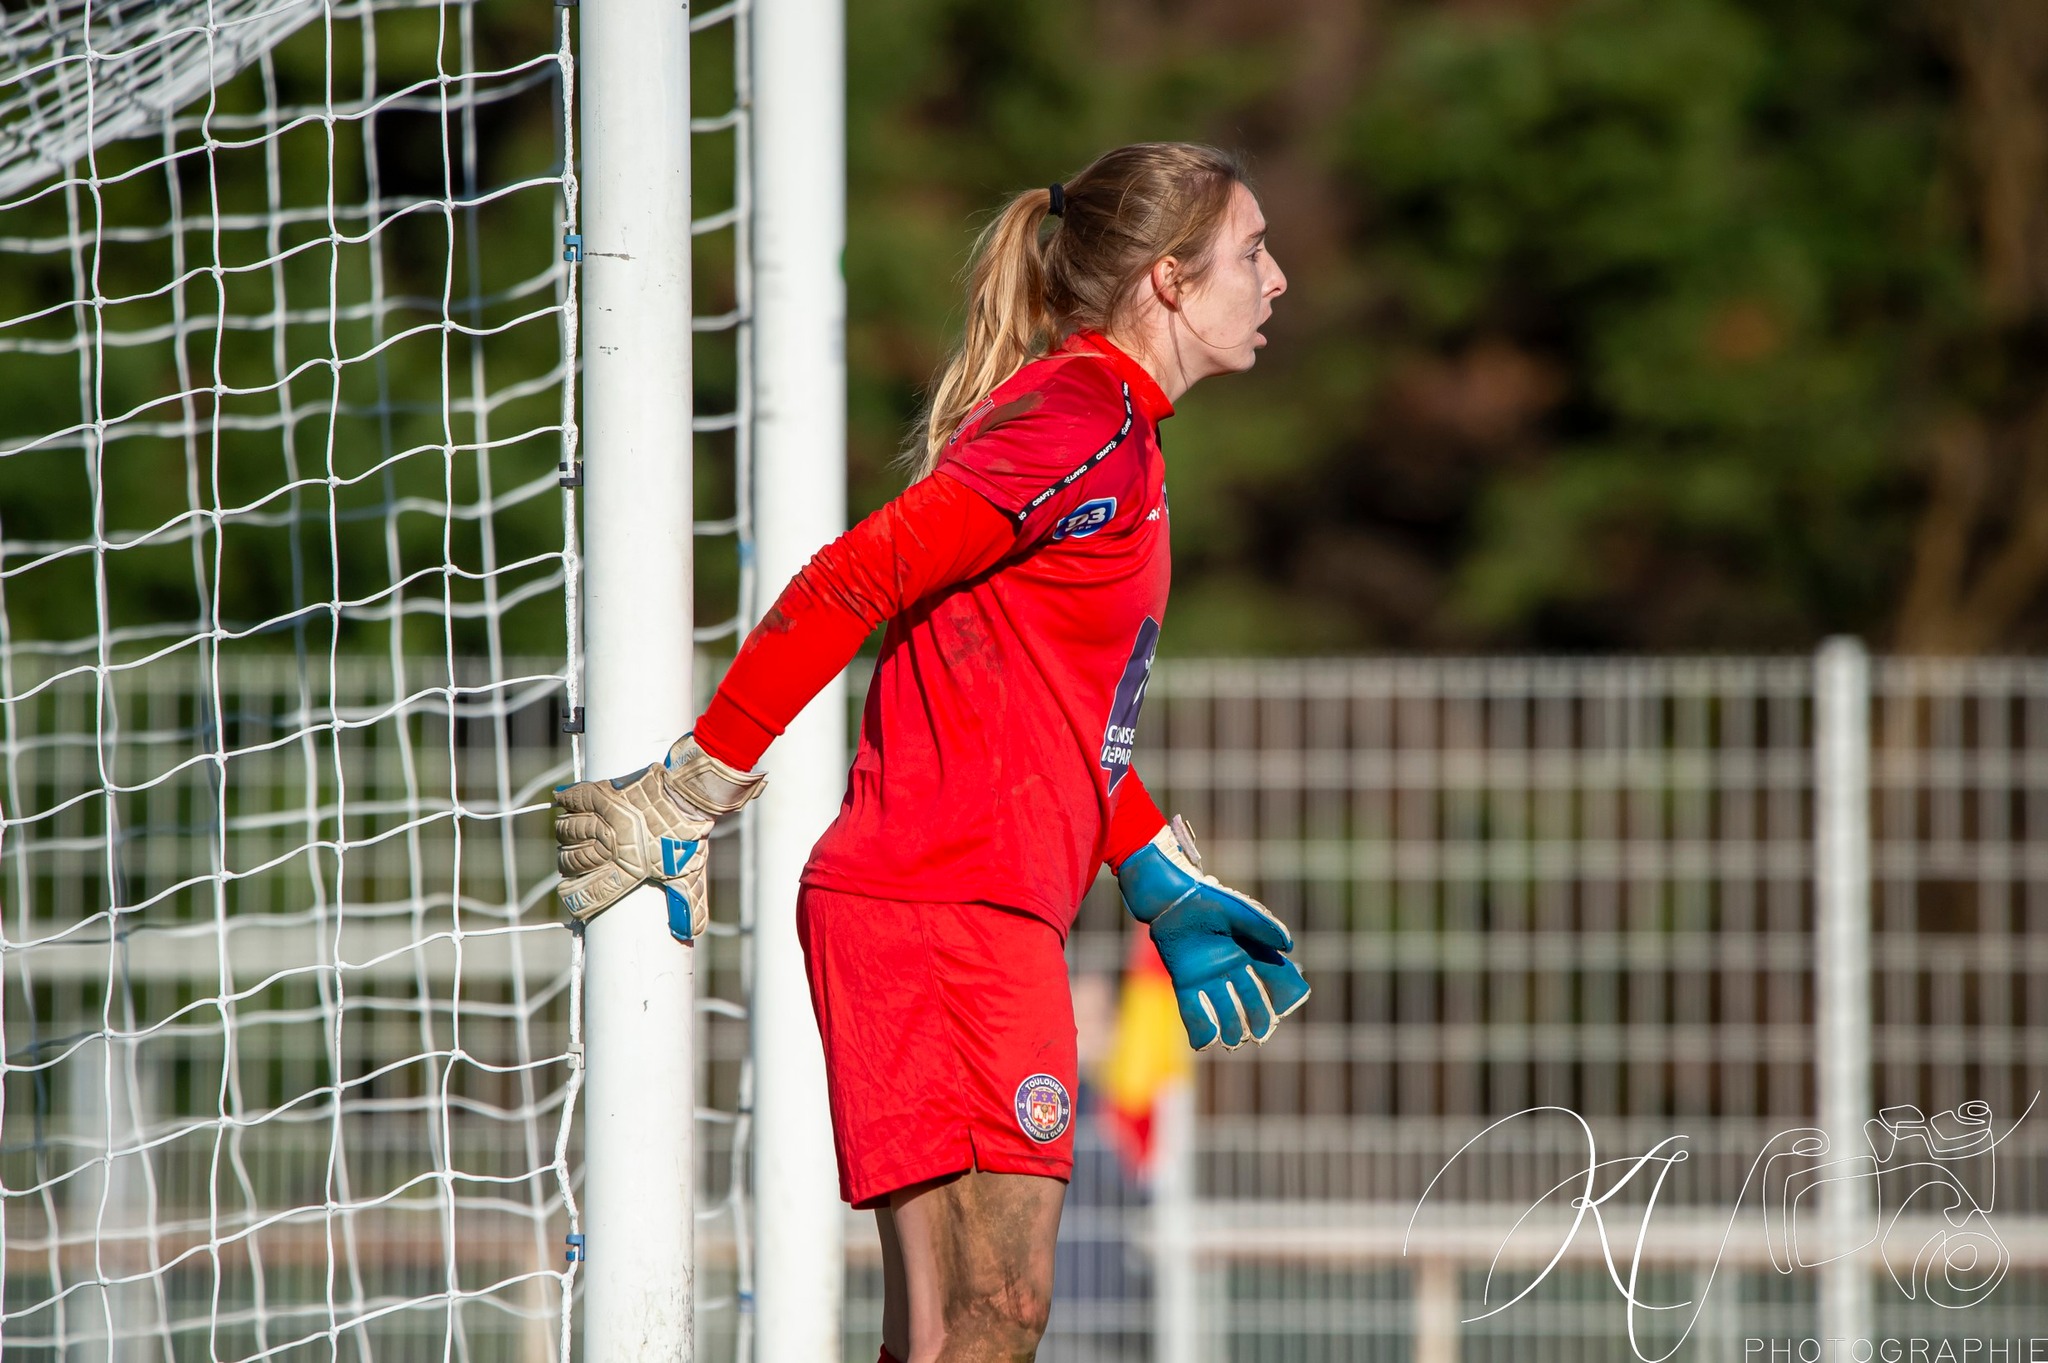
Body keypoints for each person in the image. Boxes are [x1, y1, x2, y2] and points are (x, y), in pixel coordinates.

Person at [553, 141, 1308, 1363]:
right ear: (1167, 280)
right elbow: (857, 575)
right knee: (993, 1312)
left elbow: (1057, 713)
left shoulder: (1112, 428)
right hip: (939, 908)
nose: (1274, 280)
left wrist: (1154, 873)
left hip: (961, 910)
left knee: (951, 1327)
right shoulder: (1081, 418)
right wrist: (696, 786)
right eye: (1252, 251)